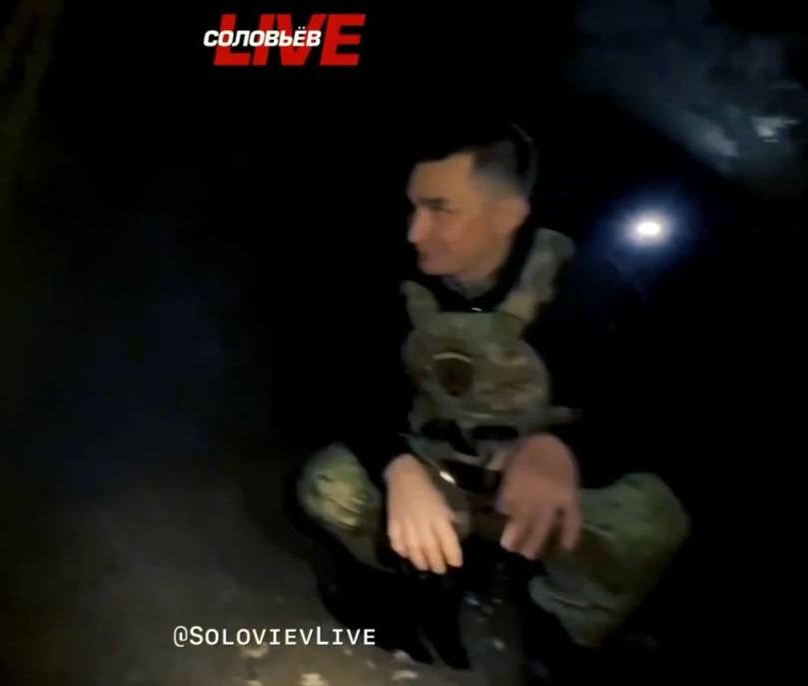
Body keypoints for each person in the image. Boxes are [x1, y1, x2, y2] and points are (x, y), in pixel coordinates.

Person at [294, 120, 690, 679]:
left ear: (507, 215)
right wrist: (397, 465)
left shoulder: (588, 290)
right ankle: (422, 585)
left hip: (534, 494)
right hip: (440, 469)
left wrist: (566, 450)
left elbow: (651, 410)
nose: (414, 231)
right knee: (329, 484)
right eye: (414, 207)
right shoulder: (395, 282)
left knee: (651, 522)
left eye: (440, 210)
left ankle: (558, 640)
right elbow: (346, 384)